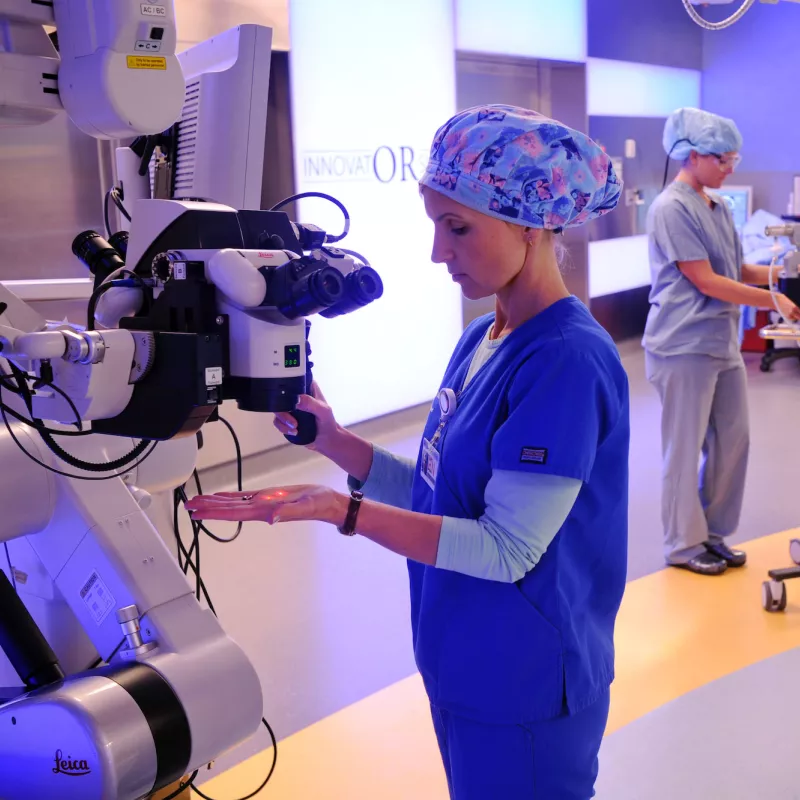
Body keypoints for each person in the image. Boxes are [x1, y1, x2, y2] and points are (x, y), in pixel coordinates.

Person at [187, 105, 630, 799]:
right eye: (435, 226)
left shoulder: (566, 361)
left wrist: (339, 512)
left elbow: (506, 549)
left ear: (530, 224)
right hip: (465, 661)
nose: (437, 252)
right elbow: (435, 494)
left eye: (458, 228)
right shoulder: (482, 339)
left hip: (526, 682)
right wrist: (335, 444)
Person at [644, 107, 800, 576]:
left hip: (719, 343)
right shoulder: (670, 208)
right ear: (691, 156)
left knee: (734, 440)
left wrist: (786, 271)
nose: (732, 167)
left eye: (734, 158)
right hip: (682, 344)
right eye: (724, 159)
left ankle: (713, 534)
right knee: (684, 446)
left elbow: (737, 269)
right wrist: (774, 299)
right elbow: (707, 281)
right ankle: (682, 545)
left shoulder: (717, 205)